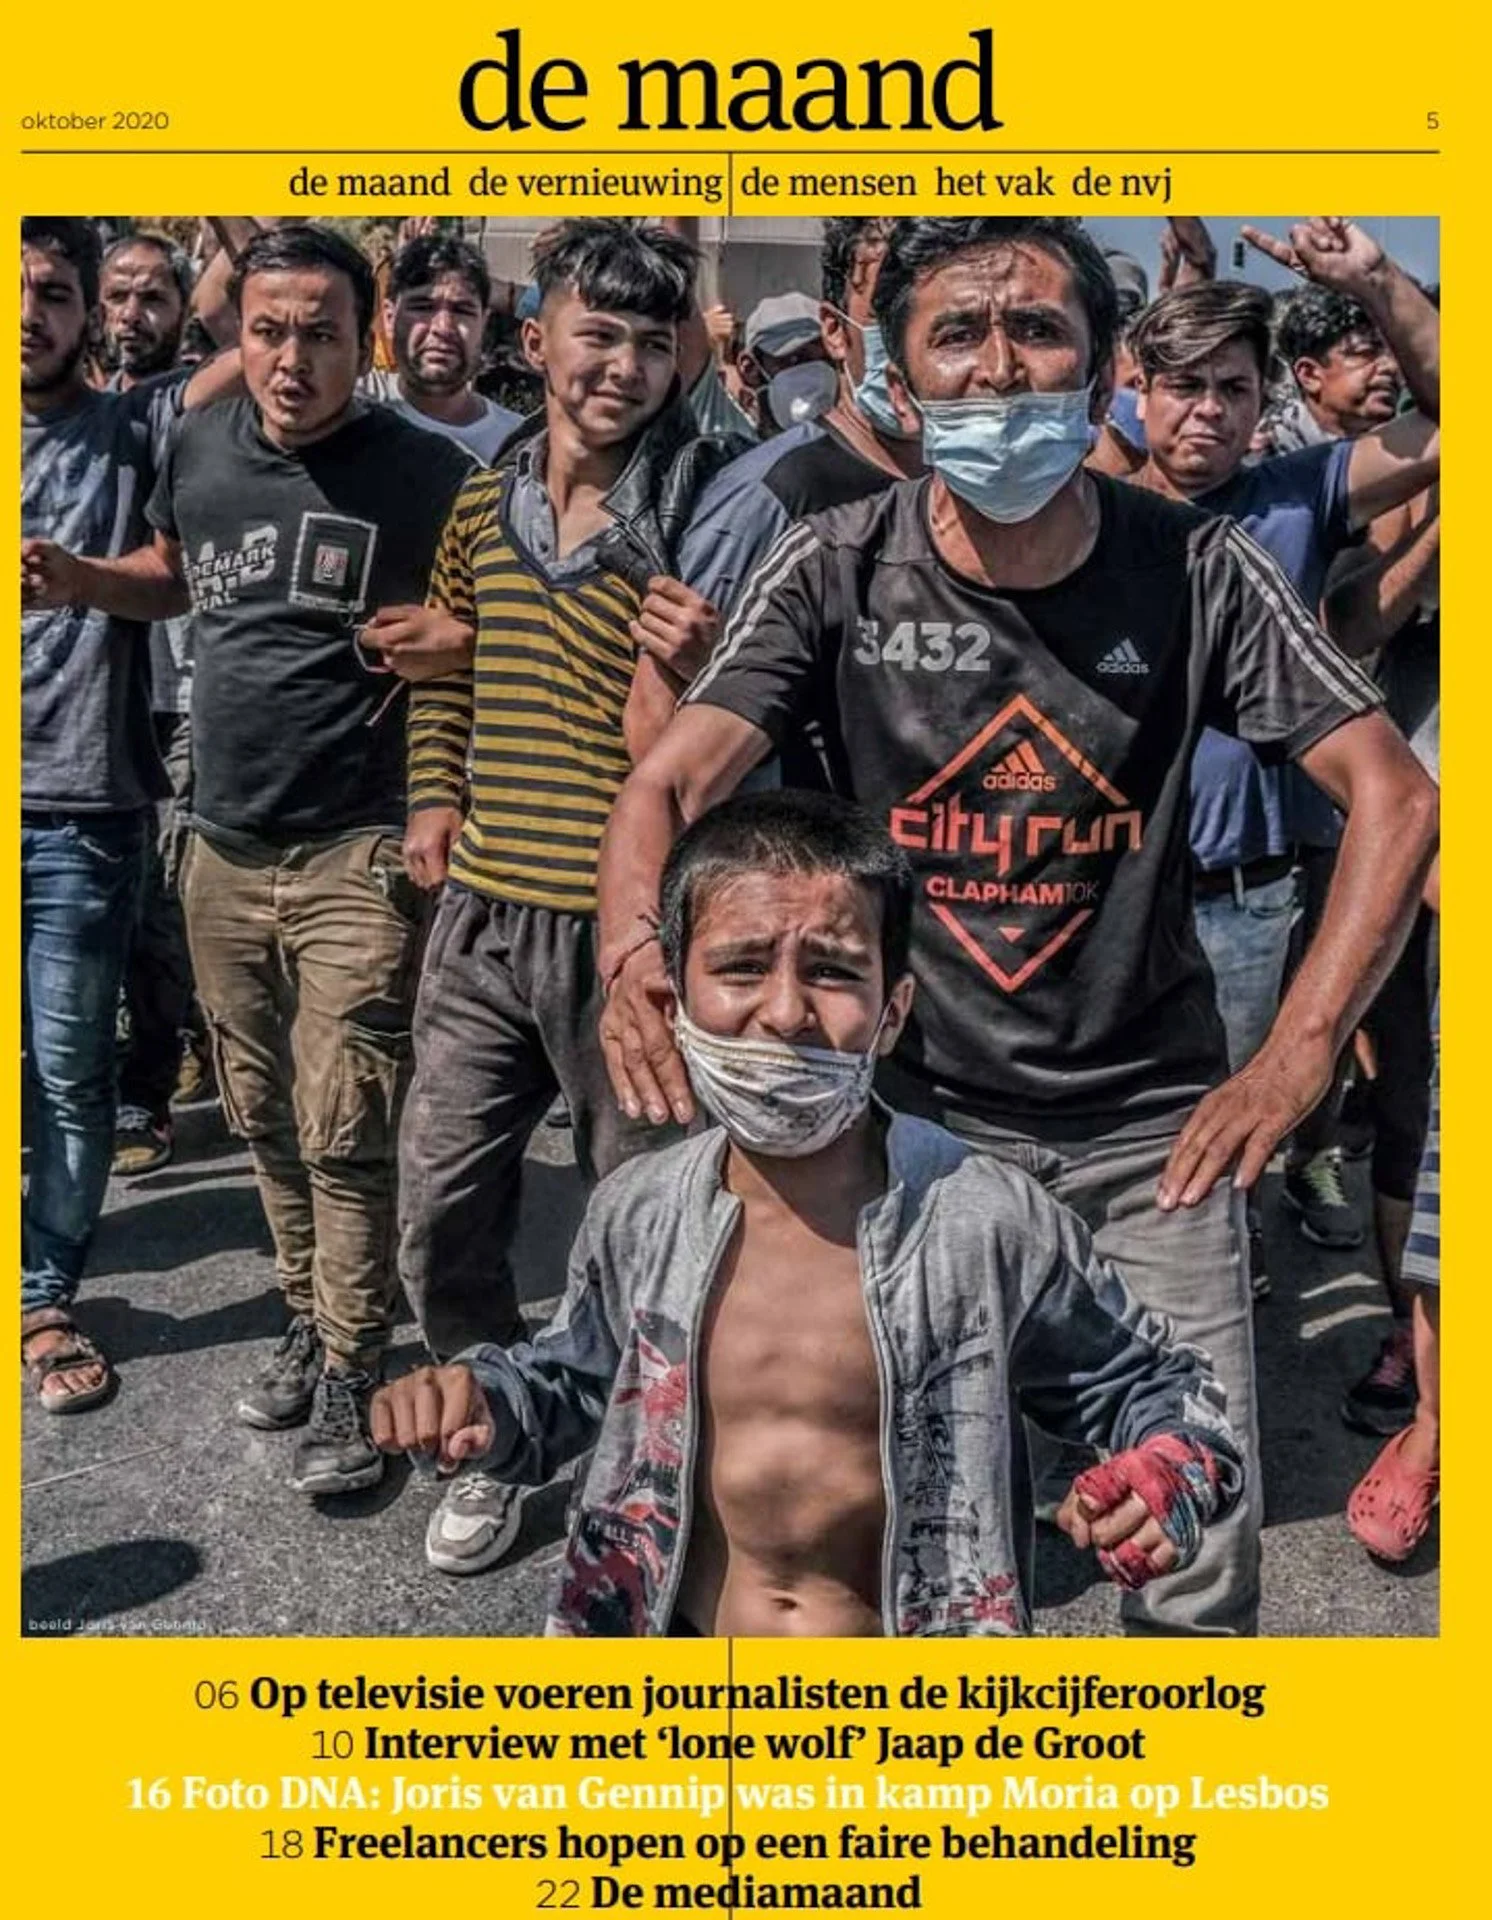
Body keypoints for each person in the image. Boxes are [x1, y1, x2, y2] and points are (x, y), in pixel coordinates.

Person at [596, 215, 1440, 1638]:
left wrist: (1297, 1062)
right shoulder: (835, 564)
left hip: (1150, 1143)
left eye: (1038, 332)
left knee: (1188, 1545)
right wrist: (633, 954)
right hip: (907, 1144)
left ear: (1099, 364)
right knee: (915, 1546)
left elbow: (1394, 799)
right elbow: (673, 776)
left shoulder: (1197, 569)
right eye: (960, 338)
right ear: (899, 380)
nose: (1001, 370)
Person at [372, 791, 1243, 1635]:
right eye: (742, 967)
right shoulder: (639, 1213)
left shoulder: (984, 1222)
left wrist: (1171, 1468)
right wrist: (483, 1401)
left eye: (831, 970)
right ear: (673, 1004)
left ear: (892, 1011)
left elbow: (1156, 1387)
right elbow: (573, 1382)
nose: (786, 1012)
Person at [23, 224, 474, 1489]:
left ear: (364, 339)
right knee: (266, 1110)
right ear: (243, 334)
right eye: (268, 331)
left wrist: (463, 639)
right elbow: (174, 577)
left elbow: (499, 610)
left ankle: (353, 1361)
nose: (290, 359)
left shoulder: (425, 471)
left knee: (345, 1119)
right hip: (217, 841)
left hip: (357, 847)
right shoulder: (200, 446)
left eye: (320, 334)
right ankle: (304, 1310)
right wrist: (82, 580)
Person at [396, 218, 733, 1575]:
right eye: (598, 333)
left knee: (640, 1215)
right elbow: (440, 673)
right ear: (532, 343)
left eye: (655, 343)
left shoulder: (699, 504)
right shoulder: (482, 501)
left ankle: (638, 1452)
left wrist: (701, 661)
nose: (624, 365)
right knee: (440, 1198)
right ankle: (493, 1425)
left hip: (623, 931)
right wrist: (433, 796)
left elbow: (722, 736)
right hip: (480, 919)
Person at [1129, 224, 1439, 1266]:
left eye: (1231, 387)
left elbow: (1459, 423)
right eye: (1181, 385)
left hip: (1245, 895)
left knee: (1229, 1137)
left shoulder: (1297, 493)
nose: (1205, 409)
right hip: (1110, 886)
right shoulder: (1088, 504)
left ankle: (1222, 1305)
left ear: (1267, 402)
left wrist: (1374, 281)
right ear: (1139, 393)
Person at [20, 217, 239, 1411]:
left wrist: (81, 581)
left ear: (88, 311)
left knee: (66, 1069)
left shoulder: (130, 426)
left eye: (53, 291)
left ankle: (43, 1291)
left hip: (79, 808)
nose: (30, 314)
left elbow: (251, 330)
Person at [361, 229, 523, 462]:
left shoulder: (517, 446)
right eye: (423, 308)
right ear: (388, 317)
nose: (443, 327)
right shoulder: (351, 405)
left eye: (461, 310)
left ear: (483, 322)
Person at [98, 231, 191, 386]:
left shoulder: (214, 403)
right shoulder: (86, 408)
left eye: (151, 299)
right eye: (117, 297)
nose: (130, 315)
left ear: (185, 309)